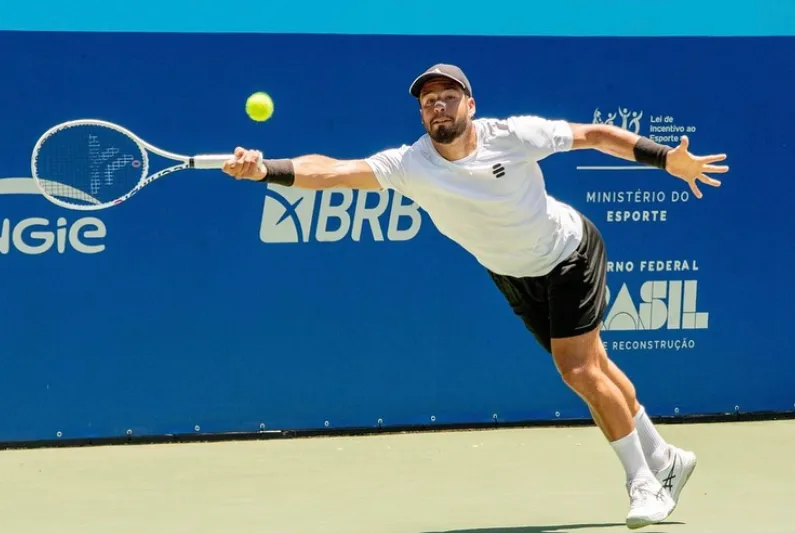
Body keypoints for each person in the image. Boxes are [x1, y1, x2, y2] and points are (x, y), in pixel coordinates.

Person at [222, 63, 729, 529]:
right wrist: (266, 168)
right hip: (512, 273)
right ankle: (664, 458)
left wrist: (666, 160)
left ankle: (645, 484)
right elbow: (332, 170)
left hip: (568, 250)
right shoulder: (410, 164)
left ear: (471, 105)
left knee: (578, 370)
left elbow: (595, 135)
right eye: (427, 102)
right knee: (593, 366)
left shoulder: (513, 135)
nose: (437, 106)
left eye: (447, 96)